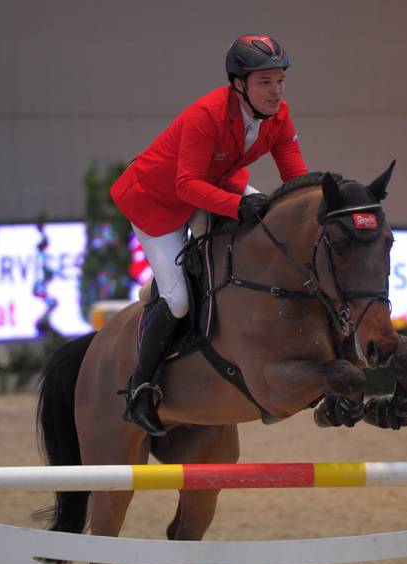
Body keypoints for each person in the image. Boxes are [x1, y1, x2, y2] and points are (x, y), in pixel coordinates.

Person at [110, 34, 308, 436]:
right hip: (158, 202)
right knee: (179, 299)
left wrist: (314, 208)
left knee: (271, 225)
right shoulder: (207, 115)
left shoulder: (279, 115)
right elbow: (185, 186)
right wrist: (238, 207)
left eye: (280, 80)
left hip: (217, 185)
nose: (276, 91)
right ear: (240, 84)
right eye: (265, 82)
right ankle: (141, 386)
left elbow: (297, 180)